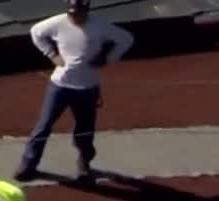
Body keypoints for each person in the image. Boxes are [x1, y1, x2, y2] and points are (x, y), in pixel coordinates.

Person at [15, 0, 135, 181]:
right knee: (43, 126)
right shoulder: (57, 23)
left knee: (84, 130)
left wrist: (108, 59)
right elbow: (36, 32)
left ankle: (84, 163)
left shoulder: (100, 25)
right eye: (71, 13)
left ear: (86, 11)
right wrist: (51, 54)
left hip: (87, 88)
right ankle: (28, 164)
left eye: (77, 13)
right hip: (60, 86)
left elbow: (126, 39)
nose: (73, 16)